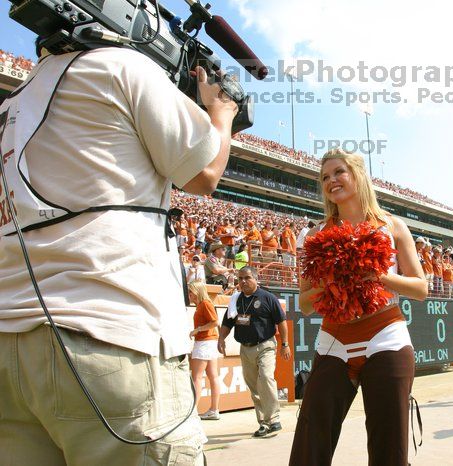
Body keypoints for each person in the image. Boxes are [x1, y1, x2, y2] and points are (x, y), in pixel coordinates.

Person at [0, 42, 238, 464]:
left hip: (11, 339)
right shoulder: (119, 64)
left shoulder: (15, 101)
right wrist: (221, 113)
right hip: (107, 333)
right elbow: (204, 174)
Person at [289, 149, 427, 466]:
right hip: (334, 340)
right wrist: (332, 280)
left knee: (389, 447)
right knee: (310, 443)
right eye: (324, 177)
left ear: (357, 174)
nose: (331, 181)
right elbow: (306, 304)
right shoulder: (313, 235)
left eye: (338, 172)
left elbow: (420, 289)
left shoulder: (392, 226)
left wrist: (379, 276)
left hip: (386, 337)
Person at [218, 266, 290, 437]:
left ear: (255, 278)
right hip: (245, 348)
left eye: (247, 278)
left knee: (265, 377)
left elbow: (281, 322)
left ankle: (274, 418)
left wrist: (285, 344)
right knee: (254, 386)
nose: (243, 282)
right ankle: (264, 423)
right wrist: (221, 339)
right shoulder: (236, 300)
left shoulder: (268, 298)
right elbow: (228, 323)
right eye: (240, 278)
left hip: (265, 345)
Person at [188, 281, 221, 421]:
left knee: (197, 377)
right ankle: (213, 409)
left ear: (197, 291)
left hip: (204, 342)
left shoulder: (205, 304)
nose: (189, 294)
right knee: (212, 376)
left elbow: (215, 322)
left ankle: (192, 411)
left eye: (191, 291)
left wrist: (198, 330)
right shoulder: (203, 304)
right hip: (209, 342)